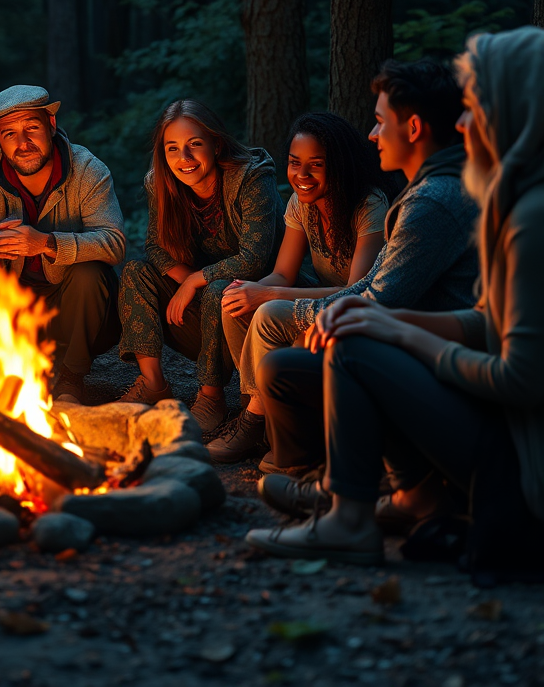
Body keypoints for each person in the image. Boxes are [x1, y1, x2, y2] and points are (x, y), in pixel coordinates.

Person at [247, 28, 544, 581]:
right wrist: (396, 320)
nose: (460, 124)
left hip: (520, 459)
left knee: (353, 344)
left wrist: (399, 332)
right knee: (336, 340)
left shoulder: (514, 215)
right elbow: (490, 324)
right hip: (496, 427)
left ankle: (354, 517)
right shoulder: (511, 200)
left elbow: (522, 381)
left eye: (474, 108)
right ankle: (362, 494)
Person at [251, 57, 479, 479]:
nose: (372, 134)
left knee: (298, 358)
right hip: (429, 347)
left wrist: (309, 316)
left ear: (412, 129)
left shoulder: (430, 201)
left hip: (447, 370)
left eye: (379, 122)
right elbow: (376, 286)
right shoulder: (427, 191)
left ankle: (321, 476)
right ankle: (295, 452)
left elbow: (376, 300)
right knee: (289, 331)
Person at [210, 112, 390, 462]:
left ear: (339, 165)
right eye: (294, 163)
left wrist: (269, 295)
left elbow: (359, 292)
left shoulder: (369, 206)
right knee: (234, 302)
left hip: (356, 314)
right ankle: (260, 408)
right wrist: (250, 290)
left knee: (273, 312)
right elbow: (283, 274)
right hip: (319, 300)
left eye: (316, 165)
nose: (302, 176)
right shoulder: (300, 203)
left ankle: (258, 421)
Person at [0, 85, 125, 403]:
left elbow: (114, 244)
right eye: (10, 134)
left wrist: (48, 244)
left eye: (32, 128)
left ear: (50, 124)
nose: (23, 144)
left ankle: (71, 379)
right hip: (10, 311)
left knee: (90, 272)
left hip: (73, 312)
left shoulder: (88, 170)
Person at [117, 100, 284, 433]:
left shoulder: (251, 177)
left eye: (194, 145)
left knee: (220, 289)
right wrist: (184, 281)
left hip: (251, 309)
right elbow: (154, 246)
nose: (185, 158)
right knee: (135, 272)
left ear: (216, 143)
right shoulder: (161, 183)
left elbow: (254, 259)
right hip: (198, 312)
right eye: (173, 148)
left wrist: (196, 279)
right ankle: (153, 382)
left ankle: (211, 396)